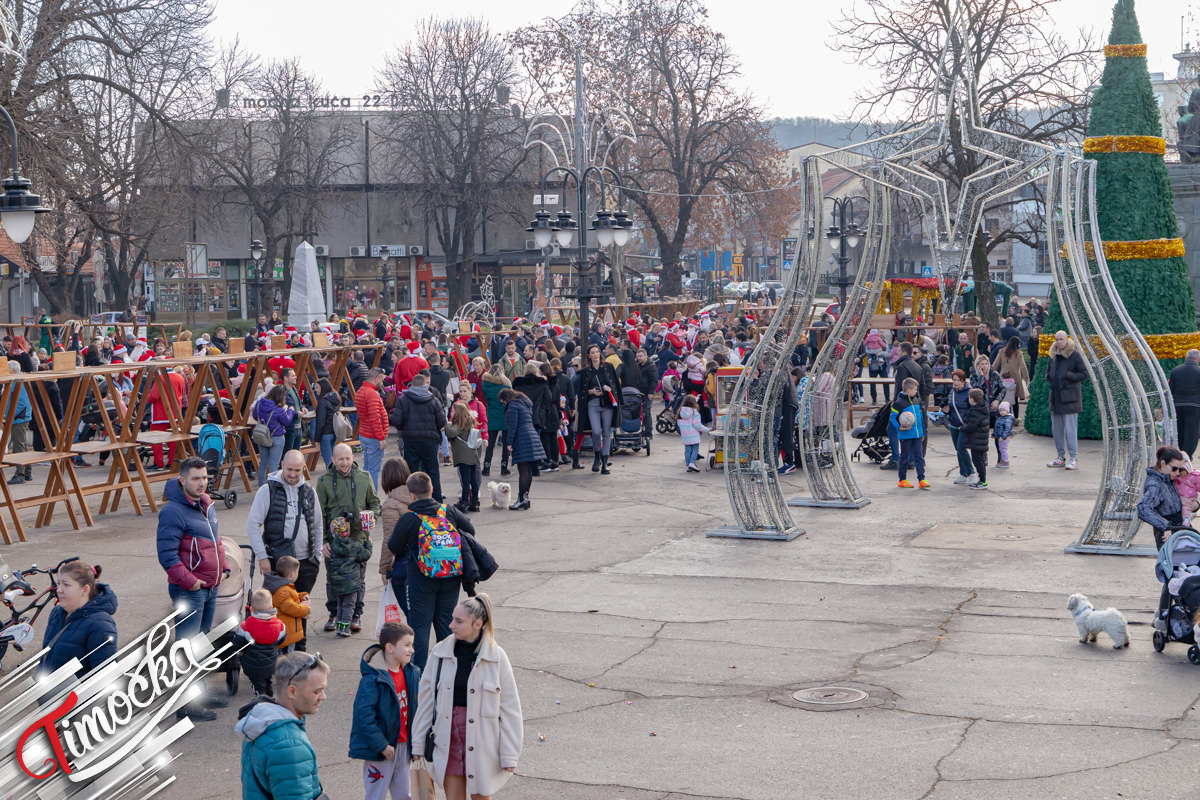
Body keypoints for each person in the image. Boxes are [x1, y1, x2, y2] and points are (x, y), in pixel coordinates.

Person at [412, 594, 522, 800]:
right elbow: (426, 702)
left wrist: (509, 753)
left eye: (459, 621)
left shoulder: (496, 657)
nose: (451, 624)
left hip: (482, 743)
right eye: (453, 618)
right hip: (447, 739)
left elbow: (510, 709)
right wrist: (418, 742)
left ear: (478, 624)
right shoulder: (439, 653)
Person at [156, 456, 229, 721]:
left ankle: (197, 692)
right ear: (182, 480)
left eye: (205, 477)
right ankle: (184, 705)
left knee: (200, 645)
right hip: (191, 590)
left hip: (210, 586)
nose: (202, 483)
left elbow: (215, 542)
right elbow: (167, 556)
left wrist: (224, 568)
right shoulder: (173, 511)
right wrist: (191, 582)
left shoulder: (206, 504)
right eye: (196, 478)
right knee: (186, 648)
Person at [388, 471, 475, 670]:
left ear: (411, 495)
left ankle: (418, 678)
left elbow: (394, 546)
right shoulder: (448, 511)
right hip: (451, 578)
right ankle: (447, 673)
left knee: (419, 629)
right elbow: (470, 530)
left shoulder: (410, 519)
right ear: (432, 489)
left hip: (421, 580)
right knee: (446, 627)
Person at [237, 652, 329, 800]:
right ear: (292, 691)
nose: (323, 697)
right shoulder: (289, 746)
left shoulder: (262, 720)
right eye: (316, 691)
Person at [350, 622, 421, 800]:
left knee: (404, 795)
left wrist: (417, 743)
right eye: (406, 645)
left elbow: (416, 710)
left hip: (404, 747)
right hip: (381, 750)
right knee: (376, 795)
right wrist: (381, 745)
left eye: (412, 645)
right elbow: (364, 717)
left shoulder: (411, 673)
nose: (411, 650)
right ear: (389, 647)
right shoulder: (373, 679)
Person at [317, 443, 382, 634]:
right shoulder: (324, 481)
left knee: (359, 580)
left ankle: (355, 615)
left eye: (347, 458)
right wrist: (323, 541)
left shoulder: (364, 477)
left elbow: (375, 503)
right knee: (333, 579)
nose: (344, 463)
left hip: (359, 540)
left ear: (353, 457)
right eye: (340, 459)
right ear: (333, 460)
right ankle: (334, 614)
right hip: (334, 543)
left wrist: (372, 517)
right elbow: (318, 514)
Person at [38, 561, 117, 680]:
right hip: (49, 694)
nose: (59, 590)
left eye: (66, 585)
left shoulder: (100, 625)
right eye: (59, 583)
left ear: (84, 589)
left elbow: (105, 677)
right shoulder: (57, 613)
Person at [392, 373, 447, 503]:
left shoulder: (403, 400)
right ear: (425, 385)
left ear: (412, 385)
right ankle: (436, 501)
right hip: (430, 441)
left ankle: (413, 501)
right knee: (433, 473)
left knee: (411, 474)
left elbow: (397, 421)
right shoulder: (433, 400)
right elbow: (441, 422)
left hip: (410, 440)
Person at [1045, 330, 1087, 470]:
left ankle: (1073, 457)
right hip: (1056, 398)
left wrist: (1068, 375)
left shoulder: (1074, 355)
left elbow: (1083, 373)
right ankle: (1060, 456)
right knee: (1056, 430)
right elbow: (1048, 371)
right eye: (1057, 339)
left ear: (1066, 340)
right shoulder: (1053, 356)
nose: (1058, 342)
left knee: (1070, 430)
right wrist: (1049, 377)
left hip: (1070, 399)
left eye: (1061, 339)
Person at [578, 343, 620, 474]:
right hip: (593, 404)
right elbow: (582, 391)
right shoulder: (586, 371)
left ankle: (604, 461)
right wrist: (591, 392)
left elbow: (615, 386)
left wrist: (609, 389)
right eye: (593, 353)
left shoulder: (608, 367)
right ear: (589, 356)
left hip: (607, 403)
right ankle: (597, 456)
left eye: (597, 352)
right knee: (596, 431)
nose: (595, 355)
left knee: (606, 432)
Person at [378, 457, 413, 618]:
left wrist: (384, 569)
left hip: (403, 564)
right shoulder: (417, 495)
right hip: (426, 560)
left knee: (412, 616)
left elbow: (389, 540)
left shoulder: (390, 504)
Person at [500, 387, 545, 509]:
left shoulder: (512, 406)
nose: (503, 403)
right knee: (528, 471)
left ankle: (521, 499)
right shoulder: (523, 404)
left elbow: (513, 426)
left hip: (522, 439)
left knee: (523, 471)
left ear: (506, 399)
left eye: (502, 401)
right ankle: (525, 498)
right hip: (531, 436)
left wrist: (509, 443)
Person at [236, 589, 288, 696]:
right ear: (271, 608)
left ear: (252, 609)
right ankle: (270, 696)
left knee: (258, 686)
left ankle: (262, 699)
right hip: (271, 663)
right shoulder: (280, 626)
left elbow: (237, 644)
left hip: (252, 665)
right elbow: (281, 641)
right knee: (267, 681)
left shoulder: (245, 627)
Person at [1139, 446, 1187, 551]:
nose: (1178, 473)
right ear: (1163, 463)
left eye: (1180, 469)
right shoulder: (1155, 485)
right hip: (1167, 534)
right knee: (1173, 564)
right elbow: (1143, 508)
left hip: (1181, 527)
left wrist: (1195, 505)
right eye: (1174, 468)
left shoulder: (1168, 478)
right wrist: (1165, 526)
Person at [264, 555, 309, 654]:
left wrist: (301, 596)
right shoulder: (284, 590)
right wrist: (306, 609)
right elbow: (291, 608)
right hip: (286, 633)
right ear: (292, 574)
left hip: (285, 630)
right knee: (286, 656)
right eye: (297, 572)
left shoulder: (281, 586)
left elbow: (291, 597)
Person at [253, 385, 295, 488]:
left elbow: (255, 416)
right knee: (274, 463)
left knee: (263, 462)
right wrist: (291, 411)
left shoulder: (259, 403)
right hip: (276, 437)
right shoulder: (279, 409)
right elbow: (287, 421)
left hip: (262, 435)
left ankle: (262, 485)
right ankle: (272, 486)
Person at [892, 377, 929, 489]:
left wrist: (922, 433)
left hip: (917, 435)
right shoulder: (899, 403)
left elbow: (921, 418)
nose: (916, 391)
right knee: (904, 457)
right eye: (914, 389)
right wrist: (899, 427)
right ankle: (902, 479)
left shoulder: (917, 400)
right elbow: (893, 418)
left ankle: (921, 479)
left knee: (919, 457)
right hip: (906, 435)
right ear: (908, 390)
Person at [445, 401, 482, 513]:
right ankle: (475, 502)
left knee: (466, 481)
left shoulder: (459, 425)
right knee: (473, 480)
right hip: (472, 454)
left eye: (453, 411)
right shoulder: (469, 422)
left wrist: (447, 423)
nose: (451, 413)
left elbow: (450, 433)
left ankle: (464, 502)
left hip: (463, 456)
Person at [357, 368, 390, 489]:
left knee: (367, 469)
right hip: (373, 437)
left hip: (365, 434)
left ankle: (367, 497)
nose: (382, 383)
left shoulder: (361, 391)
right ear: (376, 379)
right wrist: (381, 438)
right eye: (381, 380)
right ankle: (373, 500)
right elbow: (375, 418)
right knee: (374, 471)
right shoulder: (371, 394)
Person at [942, 370, 975, 486]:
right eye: (954, 380)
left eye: (958, 380)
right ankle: (963, 473)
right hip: (953, 424)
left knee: (961, 448)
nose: (956, 383)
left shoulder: (969, 392)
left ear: (963, 381)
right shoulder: (952, 392)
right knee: (958, 449)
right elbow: (951, 407)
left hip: (964, 425)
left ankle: (971, 473)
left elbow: (973, 409)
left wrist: (968, 423)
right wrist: (946, 410)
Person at [481, 364, 511, 477]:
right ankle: (504, 466)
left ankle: (486, 466)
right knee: (505, 443)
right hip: (504, 416)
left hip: (491, 416)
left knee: (490, 444)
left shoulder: (485, 385)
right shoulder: (506, 387)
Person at [3, 360, 31, 484]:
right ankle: (27, 472)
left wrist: (10, 417)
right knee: (23, 444)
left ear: (13, 370)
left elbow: (20, 402)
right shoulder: (19, 379)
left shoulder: (17, 381)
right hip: (21, 416)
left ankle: (20, 473)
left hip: (19, 417)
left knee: (19, 445)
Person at [992, 336, 1030, 423]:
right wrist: (1027, 378)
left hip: (1003, 378)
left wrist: (992, 375)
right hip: (1015, 379)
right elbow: (1023, 367)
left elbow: (995, 365)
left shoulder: (1002, 352)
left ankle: (1002, 416)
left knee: (1003, 397)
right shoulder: (1018, 354)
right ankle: (1015, 418)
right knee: (1015, 399)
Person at [1170, 349, 1200, 458]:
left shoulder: (1175, 370)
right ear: (1198, 359)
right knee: (1191, 432)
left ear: (1186, 357)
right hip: (1195, 405)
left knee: (1180, 429)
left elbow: (1170, 389)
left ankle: (1181, 452)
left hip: (1178, 405)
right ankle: (1187, 455)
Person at [961, 388, 991, 489]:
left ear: (972, 400)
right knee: (980, 461)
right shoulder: (983, 409)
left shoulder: (975, 412)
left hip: (977, 441)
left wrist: (963, 427)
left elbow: (971, 427)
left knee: (978, 461)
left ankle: (983, 481)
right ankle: (982, 480)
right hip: (981, 441)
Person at [314, 378, 342, 469]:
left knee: (329, 462)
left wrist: (317, 439)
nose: (315, 390)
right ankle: (336, 478)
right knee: (333, 459)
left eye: (317, 387)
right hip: (334, 431)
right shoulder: (335, 397)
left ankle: (332, 479)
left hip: (325, 433)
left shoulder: (322, 401)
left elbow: (321, 422)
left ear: (323, 388)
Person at [280, 368, 304, 455]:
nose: (296, 377)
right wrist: (296, 414)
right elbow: (282, 410)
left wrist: (302, 408)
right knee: (288, 454)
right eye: (293, 375)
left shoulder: (293, 389)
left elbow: (297, 403)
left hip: (298, 426)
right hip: (290, 428)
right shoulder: (282, 391)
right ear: (286, 378)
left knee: (296, 454)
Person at [993, 401, 1014, 469]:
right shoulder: (1000, 418)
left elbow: (1007, 429)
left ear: (1007, 410)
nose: (1001, 412)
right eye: (1000, 410)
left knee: (1003, 449)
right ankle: (1002, 461)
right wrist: (994, 434)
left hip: (1004, 437)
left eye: (1003, 410)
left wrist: (1003, 436)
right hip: (1000, 436)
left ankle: (1005, 461)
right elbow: (997, 427)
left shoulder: (1008, 419)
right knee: (1001, 449)